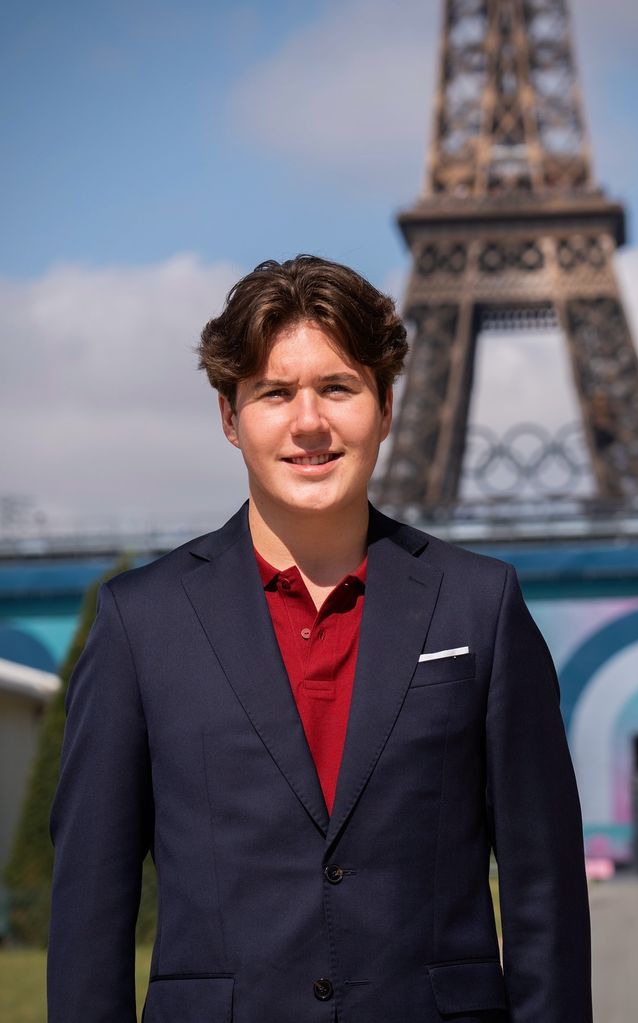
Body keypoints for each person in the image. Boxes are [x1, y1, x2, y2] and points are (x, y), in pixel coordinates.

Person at [48, 255, 592, 1023]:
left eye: (337, 387)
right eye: (275, 392)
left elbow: (545, 891)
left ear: (387, 405)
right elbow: (89, 906)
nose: (309, 421)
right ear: (229, 417)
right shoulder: (141, 622)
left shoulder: (481, 605)